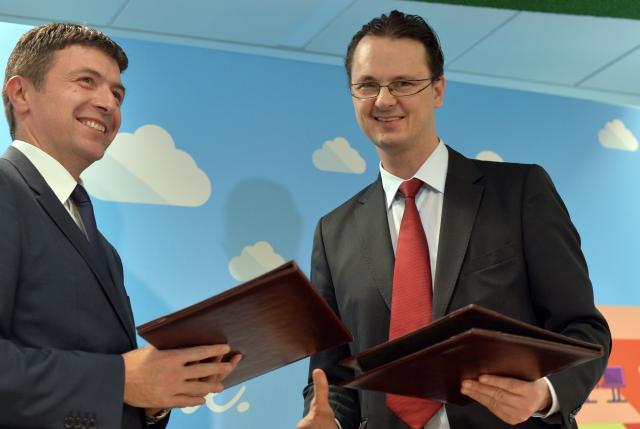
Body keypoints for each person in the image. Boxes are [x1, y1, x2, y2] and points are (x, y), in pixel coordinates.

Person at [298, 10, 610, 429]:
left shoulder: (520, 192)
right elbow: (331, 376)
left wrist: (542, 394)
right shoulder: (333, 233)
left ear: (438, 90)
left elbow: (584, 330)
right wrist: (329, 421)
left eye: (403, 83)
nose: (384, 100)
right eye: (367, 85)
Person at [0, 23, 241, 429]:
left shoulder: (103, 249)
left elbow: (120, 383)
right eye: (86, 81)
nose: (107, 103)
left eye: (117, 94)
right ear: (21, 93)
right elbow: (119, 379)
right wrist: (121, 382)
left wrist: (154, 397)